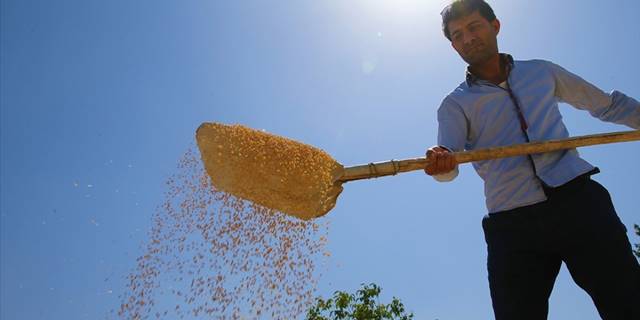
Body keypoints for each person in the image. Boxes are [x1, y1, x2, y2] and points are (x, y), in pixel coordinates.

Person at [423, 1, 640, 319]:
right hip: (512, 225)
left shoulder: (541, 72)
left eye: (474, 27)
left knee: (629, 303)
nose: (467, 38)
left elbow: (606, 105)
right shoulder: (454, 104)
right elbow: (448, 162)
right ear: (453, 45)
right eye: (457, 35)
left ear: (495, 26)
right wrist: (441, 164)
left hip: (578, 202)